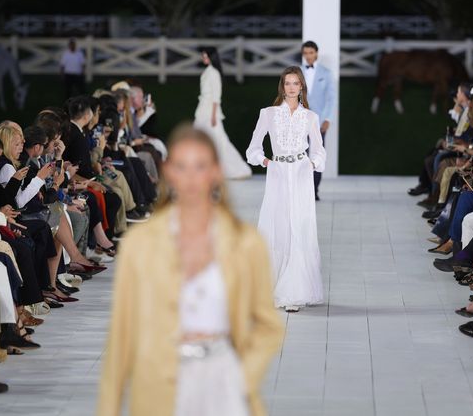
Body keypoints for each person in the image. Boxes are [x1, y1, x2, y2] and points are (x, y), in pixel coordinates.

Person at [98, 124, 283, 416]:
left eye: (201, 166)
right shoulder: (140, 244)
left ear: (216, 172)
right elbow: (121, 336)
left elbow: (268, 325)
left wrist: (242, 377)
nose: (191, 178)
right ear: (169, 171)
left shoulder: (245, 243)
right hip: (157, 385)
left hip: (225, 385)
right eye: (182, 167)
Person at [246, 66, 326, 312]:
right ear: (283, 86)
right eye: (287, 83)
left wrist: (312, 165)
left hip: (301, 175)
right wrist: (267, 162)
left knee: (299, 226)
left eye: (296, 83)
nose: (291, 87)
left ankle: (293, 292)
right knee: (277, 225)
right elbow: (253, 149)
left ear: (302, 86)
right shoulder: (268, 114)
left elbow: (319, 149)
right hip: (278, 174)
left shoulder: (310, 117)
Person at [193, 48, 252, 180]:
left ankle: (236, 168)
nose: (204, 58)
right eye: (203, 56)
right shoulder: (208, 72)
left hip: (210, 111)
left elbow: (216, 96)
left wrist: (214, 114)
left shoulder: (214, 73)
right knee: (199, 139)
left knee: (219, 140)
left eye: (205, 56)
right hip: (203, 109)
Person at [299, 41, 335, 201]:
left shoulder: (326, 73)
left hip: (319, 121)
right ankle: (300, 189)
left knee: (317, 155)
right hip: (299, 120)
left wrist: (328, 119)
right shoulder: (297, 72)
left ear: (316, 53)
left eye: (311, 53)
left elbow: (331, 98)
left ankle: (314, 189)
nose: (308, 56)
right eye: (305, 53)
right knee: (299, 154)